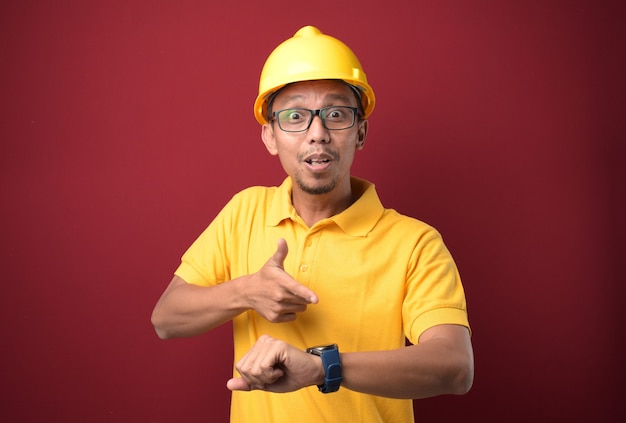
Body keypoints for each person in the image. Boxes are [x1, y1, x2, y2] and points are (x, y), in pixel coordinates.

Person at [151, 25, 474, 423]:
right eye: (295, 116)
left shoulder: (415, 243)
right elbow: (166, 319)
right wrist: (247, 292)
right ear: (270, 136)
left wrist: (323, 368)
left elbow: (455, 366)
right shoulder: (244, 212)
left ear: (360, 132)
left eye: (336, 114)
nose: (316, 134)